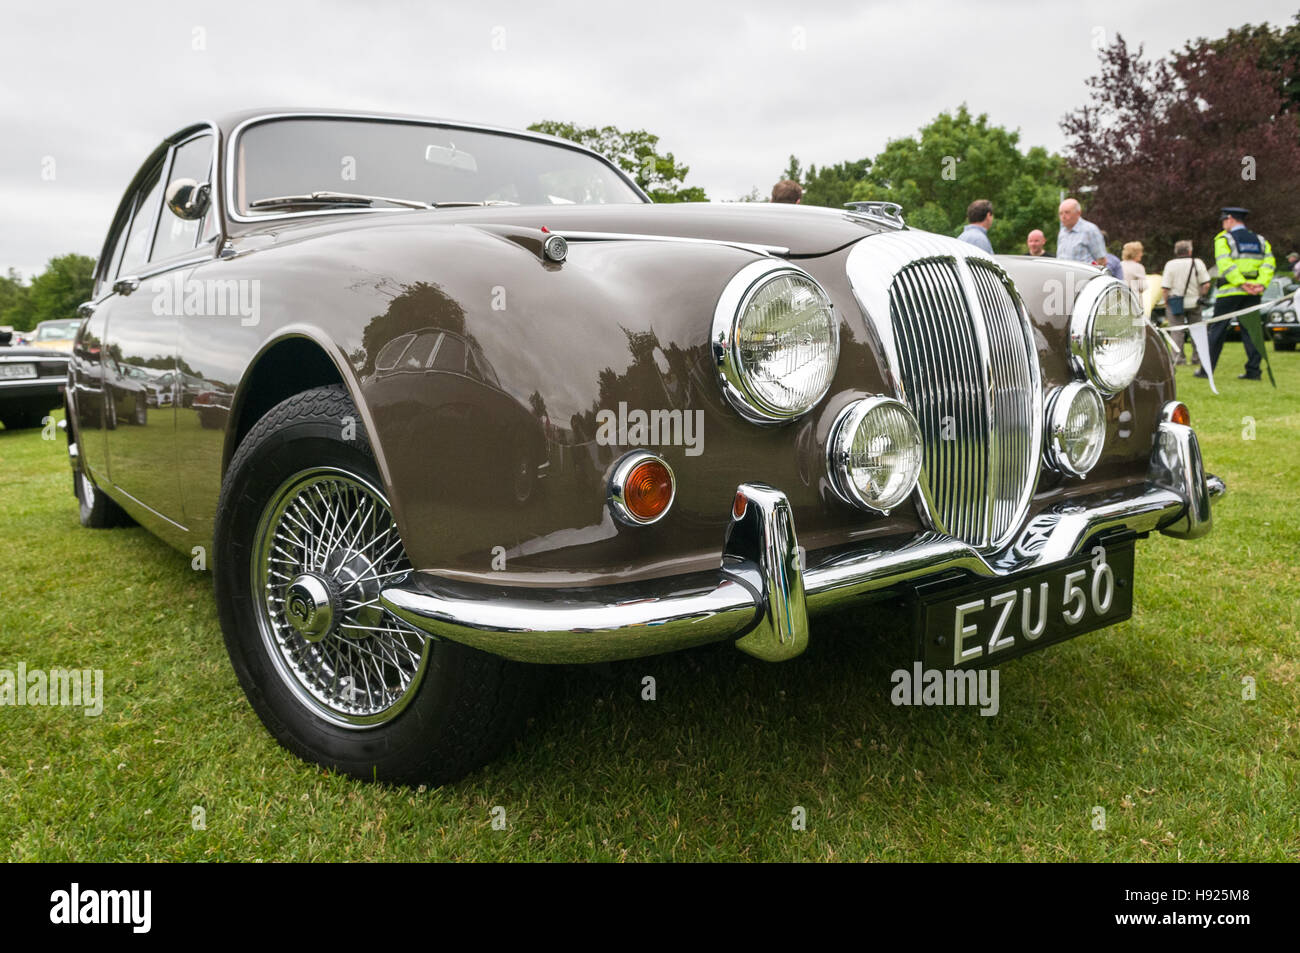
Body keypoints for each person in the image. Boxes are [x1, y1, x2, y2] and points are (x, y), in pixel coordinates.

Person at [1202, 207, 1275, 381]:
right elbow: (1269, 264)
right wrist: (1259, 284)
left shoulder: (1224, 239)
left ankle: (1207, 370)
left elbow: (1225, 263)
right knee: (1252, 332)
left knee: (1217, 331)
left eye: (1223, 220)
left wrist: (1241, 282)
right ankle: (1254, 371)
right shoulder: (1260, 240)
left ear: (1230, 219)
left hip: (1229, 292)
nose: (1223, 224)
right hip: (1253, 293)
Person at [1161, 240, 1210, 366]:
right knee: (1197, 331)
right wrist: (1201, 295)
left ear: (1176, 252)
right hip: (1194, 302)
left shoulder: (1170, 265)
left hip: (1175, 302)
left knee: (1177, 332)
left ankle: (1178, 359)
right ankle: (1197, 358)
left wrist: (1166, 301)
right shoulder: (1197, 263)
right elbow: (1206, 284)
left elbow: (1165, 287)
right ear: (1189, 251)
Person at [1056, 198, 1106, 267]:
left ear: (1078, 213)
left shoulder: (1090, 230)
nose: (1063, 217)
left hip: (1083, 276)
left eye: (1067, 212)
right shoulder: (1062, 232)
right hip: (1064, 276)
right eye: (1060, 213)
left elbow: (1101, 260)